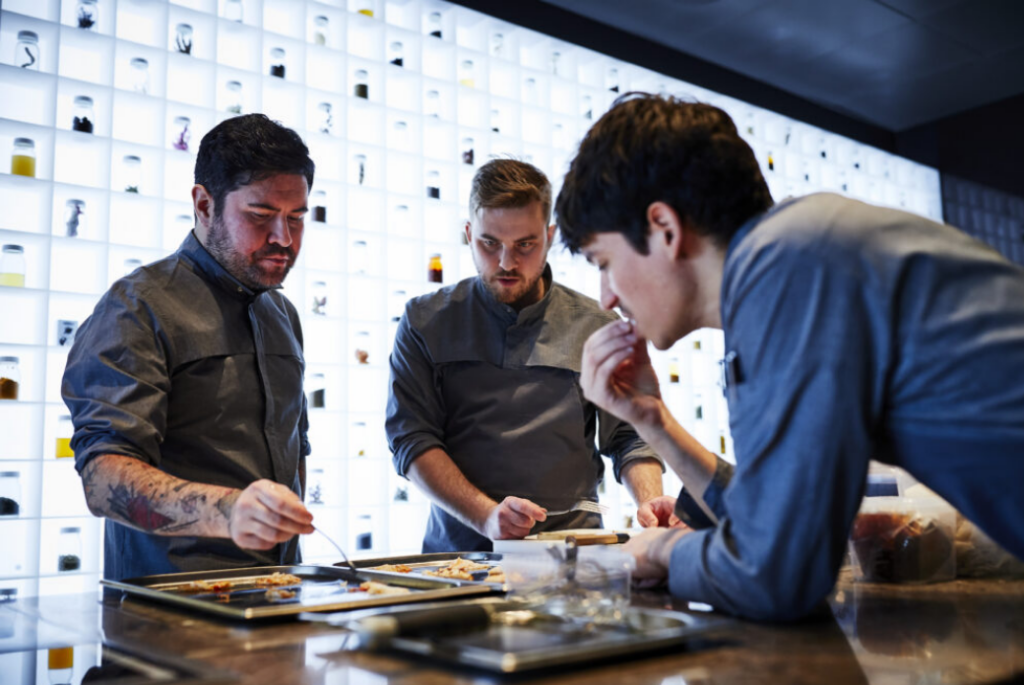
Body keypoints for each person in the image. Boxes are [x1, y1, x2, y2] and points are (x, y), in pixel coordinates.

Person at [556, 93, 1024, 621]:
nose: (606, 297)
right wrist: (654, 420)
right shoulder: (794, 253)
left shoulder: (788, 268)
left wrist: (659, 551)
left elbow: (777, 572)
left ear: (664, 227)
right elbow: (775, 521)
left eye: (603, 261)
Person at [62, 114, 317, 580]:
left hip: (277, 595)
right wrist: (230, 512)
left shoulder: (283, 315)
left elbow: (295, 448)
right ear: (204, 204)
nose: (284, 238)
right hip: (167, 607)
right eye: (260, 216)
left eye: (297, 218)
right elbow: (102, 480)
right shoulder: (137, 308)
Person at [386, 159, 674, 553]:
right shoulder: (425, 321)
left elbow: (630, 436)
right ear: (468, 234)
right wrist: (486, 516)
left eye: (525, 245)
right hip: (460, 558)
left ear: (550, 236)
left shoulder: (596, 324)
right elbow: (411, 439)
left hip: (576, 554)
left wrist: (649, 500)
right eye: (490, 243)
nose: (507, 262)